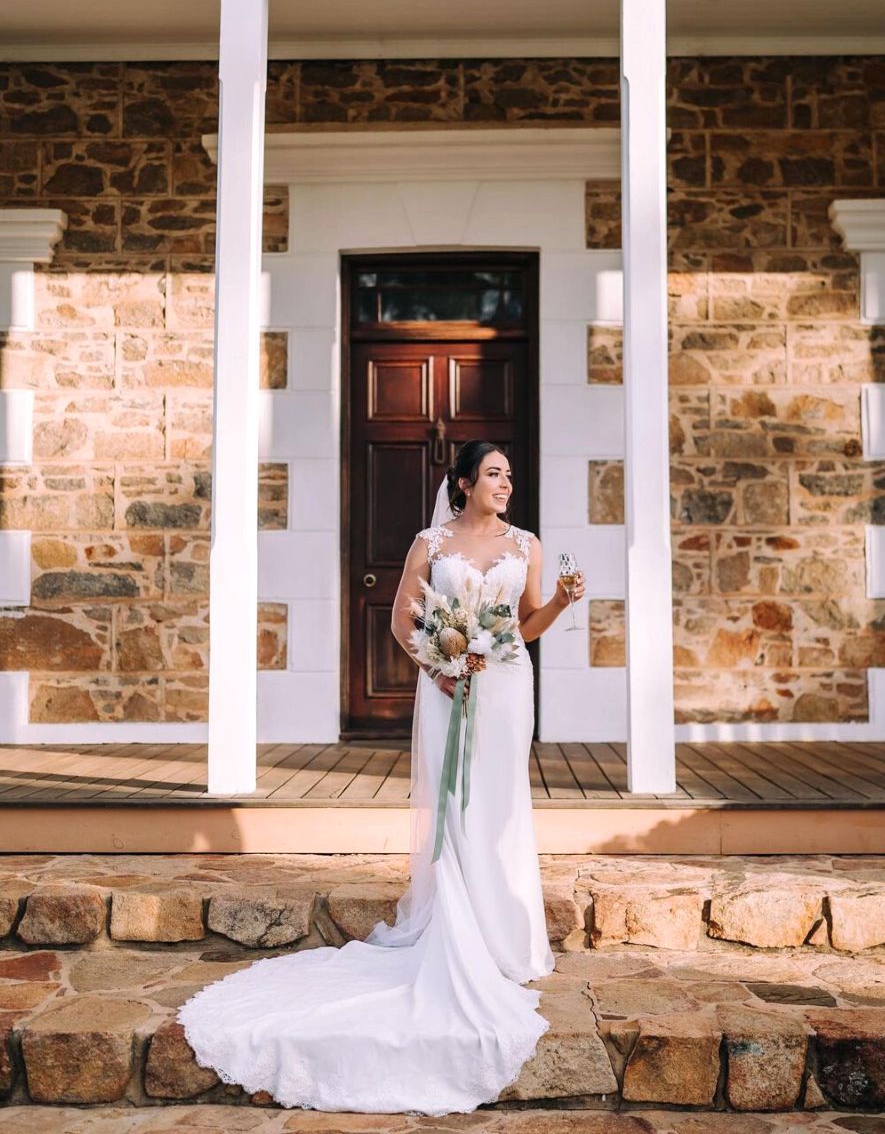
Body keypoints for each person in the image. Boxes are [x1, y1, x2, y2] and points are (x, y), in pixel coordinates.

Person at [176, 440, 587, 1115]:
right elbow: (403, 617)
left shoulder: (528, 545)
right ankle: (454, 922)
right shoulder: (431, 541)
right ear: (461, 484)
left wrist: (565, 604)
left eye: (509, 475)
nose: (505, 484)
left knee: (500, 804)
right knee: (454, 801)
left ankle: (504, 934)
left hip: (508, 684)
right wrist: (440, 668)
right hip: (447, 685)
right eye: (492, 474)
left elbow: (527, 623)